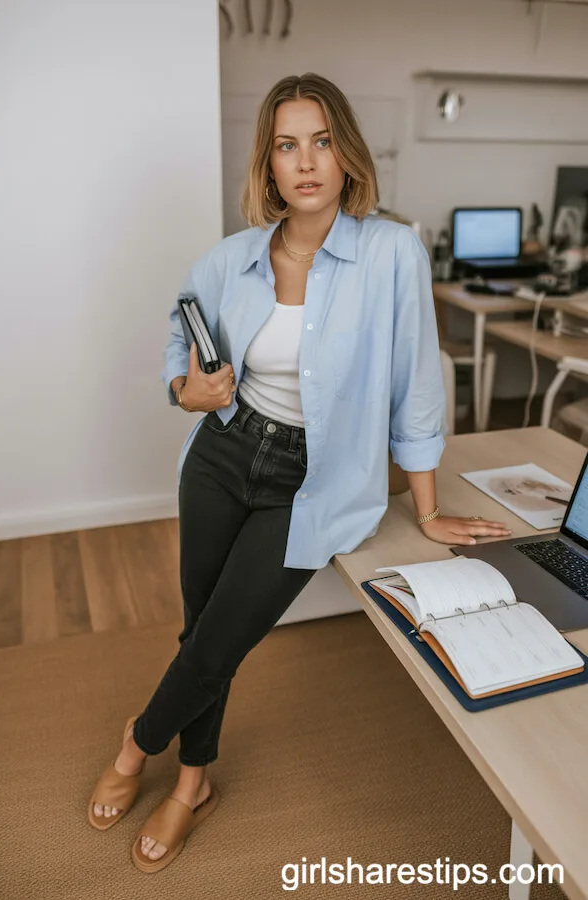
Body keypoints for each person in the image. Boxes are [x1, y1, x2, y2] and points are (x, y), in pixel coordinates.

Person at [88, 72, 511, 872]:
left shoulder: (391, 251)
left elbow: (418, 382)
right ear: (269, 164)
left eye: (321, 141)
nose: (306, 161)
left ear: (345, 153)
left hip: (312, 479)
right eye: (288, 145)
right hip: (219, 457)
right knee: (201, 630)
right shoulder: (229, 260)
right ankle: (193, 783)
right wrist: (187, 390)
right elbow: (179, 346)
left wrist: (424, 509)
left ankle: (135, 747)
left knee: (220, 641)